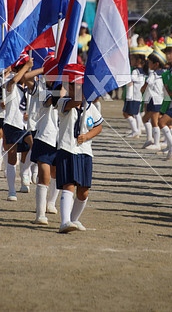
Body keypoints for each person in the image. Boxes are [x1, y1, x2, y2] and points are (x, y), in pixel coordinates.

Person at [56, 63, 103, 233]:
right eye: (73, 85)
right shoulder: (63, 103)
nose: (74, 88)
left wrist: (87, 136)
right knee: (69, 185)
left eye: (78, 85)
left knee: (84, 191)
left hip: (84, 152)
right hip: (67, 149)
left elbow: (98, 127)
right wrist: (83, 83)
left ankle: (74, 220)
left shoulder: (91, 108)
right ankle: (65, 221)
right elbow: (76, 99)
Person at [30, 55, 60, 225]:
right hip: (44, 138)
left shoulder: (65, 90)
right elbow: (50, 101)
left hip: (60, 139)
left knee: (56, 174)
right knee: (44, 176)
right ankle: (40, 214)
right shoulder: (43, 91)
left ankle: (51, 203)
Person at [3, 53, 34, 200]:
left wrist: (30, 113)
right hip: (12, 123)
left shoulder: (30, 86)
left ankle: (25, 173)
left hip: (26, 125)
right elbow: (13, 82)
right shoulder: (10, 81)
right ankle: (11, 190)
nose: (27, 74)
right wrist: (26, 66)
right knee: (11, 156)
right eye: (25, 71)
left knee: (33, 146)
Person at [141, 45, 166, 150]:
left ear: (156, 64)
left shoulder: (153, 75)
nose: (148, 64)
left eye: (150, 62)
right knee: (148, 119)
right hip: (158, 99)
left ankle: (156, 142)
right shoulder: (164, 73)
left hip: (154, 99)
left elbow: (145, 86)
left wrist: (142, 90)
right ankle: (150, 139)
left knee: (154, 121)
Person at [123, 46, 147, 138]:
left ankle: (135, 130)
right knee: (136, 113)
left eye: (132, 58)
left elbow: (130, 83)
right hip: (138, 96)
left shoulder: (135, 71)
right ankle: (137, 130)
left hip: (133, 96)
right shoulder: (143, 71)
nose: (130, 60)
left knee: (126, 113)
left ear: (138, 61)